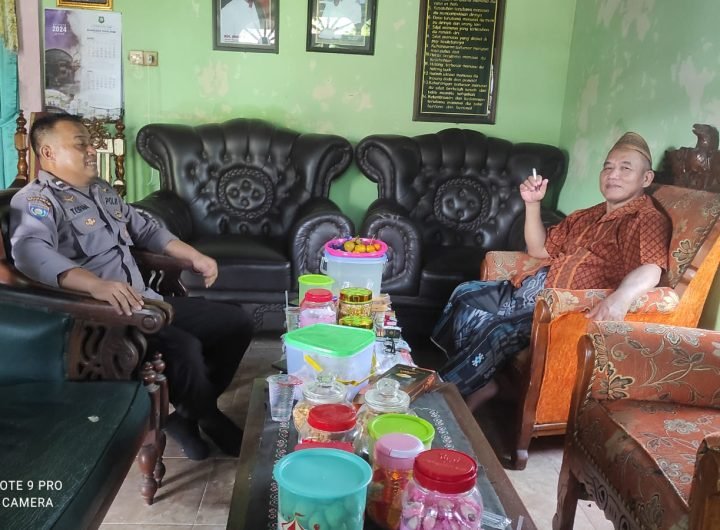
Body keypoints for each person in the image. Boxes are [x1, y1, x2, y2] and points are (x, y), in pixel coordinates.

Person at [10, 113, 254, 460]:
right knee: (184, 349)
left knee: (236, 321)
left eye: (91, 143)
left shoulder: (101, 190)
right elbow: (31, 254)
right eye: (81, 144)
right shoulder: (37, 200)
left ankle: (189, 414)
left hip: (145, 301)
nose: (92, 150)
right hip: (103, 317)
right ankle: (209, 417)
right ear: (48, 153)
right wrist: (95, 285)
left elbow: (147, 229)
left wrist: (194, 256)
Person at [432, 132, 671, 412]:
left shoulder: (646, 219)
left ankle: (437, 397)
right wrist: (532, 203)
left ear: (646, 178)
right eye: (608, 167)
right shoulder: (586, 215)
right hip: (531, 290)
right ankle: (481, 382)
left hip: (560, 308)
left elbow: (651, 268)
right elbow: (539, 249)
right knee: (465, 294)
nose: (613, 175)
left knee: (495, 330)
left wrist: (621, 297)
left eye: (625, 168)